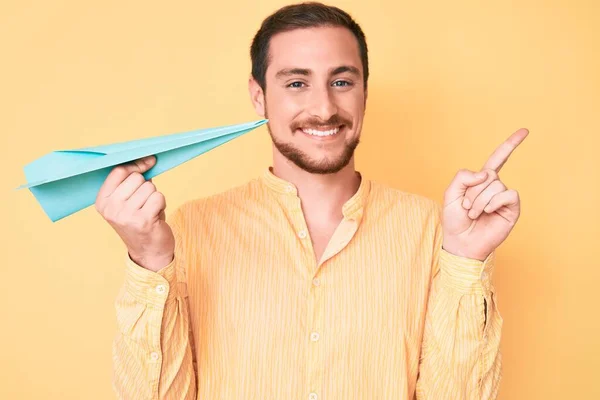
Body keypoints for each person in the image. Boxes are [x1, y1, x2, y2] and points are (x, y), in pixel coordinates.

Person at [95, 2, 527, 399]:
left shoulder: (435, 232)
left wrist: (466, 260)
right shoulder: (191, 229)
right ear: (258, 94)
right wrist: (149, 258)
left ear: (364, 92)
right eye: (297, 83)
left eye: (341, 81)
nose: (323, 108)